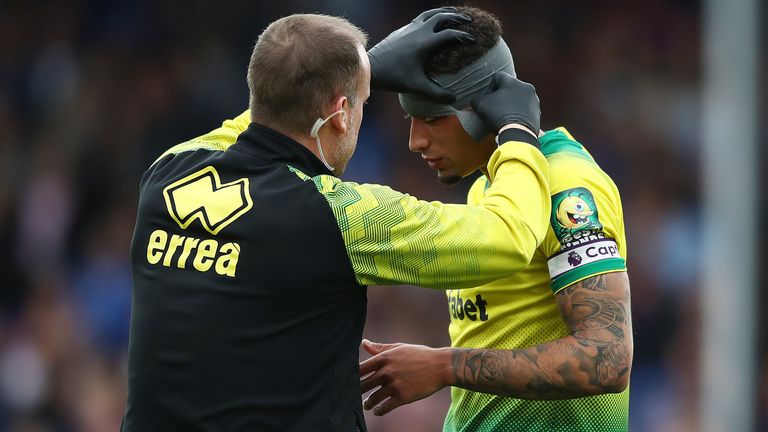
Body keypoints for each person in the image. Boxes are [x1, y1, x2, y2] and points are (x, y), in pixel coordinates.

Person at [122, 9, 550, 431]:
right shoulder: (336, 217)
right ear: (341, 111)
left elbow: (261, 119)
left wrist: (346, 72)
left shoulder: (167, 173)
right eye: (361, 103)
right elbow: (507, 238)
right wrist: (517, 130)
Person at [358, 6, 633, 432]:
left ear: (482, 112)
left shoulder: (566, 184)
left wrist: (444, 366)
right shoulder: (490, 189)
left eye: (432, 119)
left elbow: (607, 358)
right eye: (410, 119)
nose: (415, 140)